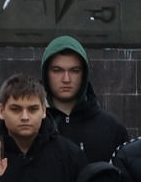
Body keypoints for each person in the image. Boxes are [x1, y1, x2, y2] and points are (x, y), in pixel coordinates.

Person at [0, 75, 86, 182]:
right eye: (16, 109)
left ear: (43, 110)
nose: (25, 117)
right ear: (1, 111)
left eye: (32, 109)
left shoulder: (70, 156)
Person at [41, 35, 130, 163]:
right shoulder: (31, 126)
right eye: (57, 70)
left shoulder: (111, 128)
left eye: (74, 71)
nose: (66, 79)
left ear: (84, 74)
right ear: (46, 73)